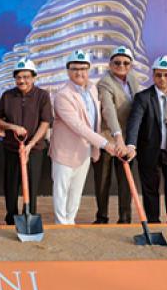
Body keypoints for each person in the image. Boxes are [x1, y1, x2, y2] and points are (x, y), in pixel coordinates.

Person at [49, 50, 116, 224]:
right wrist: (104, 144)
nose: (79, 72)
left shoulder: (92, 89)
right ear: (68, 71)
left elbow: (96, 120)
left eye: (83, 68)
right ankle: (61, 224)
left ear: (88, 70)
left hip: (85, 151)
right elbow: (78, 126)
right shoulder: (63, 95)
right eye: (75, 69)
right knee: (62, 191)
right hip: (65, 151)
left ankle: (70, 222)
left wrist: (99, 144)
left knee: (76, 192)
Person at [0, 58, 52, 225]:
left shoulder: (42, 96)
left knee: (32, 186)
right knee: (11, 186)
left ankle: (29, 216)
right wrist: (12, 127)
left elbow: (45, 122)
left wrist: (30, 144)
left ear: (33, 77)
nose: (22, 81)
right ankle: (11, 218)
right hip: (12, 149)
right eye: (18, 77)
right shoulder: (7, 96)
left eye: (26, 77)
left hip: (34, 150)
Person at [93, 46, 141, 224]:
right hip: (108, 138)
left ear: (131, 65)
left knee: (125, 181)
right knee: (103, 180)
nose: (121, 66)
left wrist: (130, 141)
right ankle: (102, 217)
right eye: (117, 62)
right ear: (110, 64)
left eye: (126, 63)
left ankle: (125, 218)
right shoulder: (105, 83)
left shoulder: (133, 79)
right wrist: (118, 138)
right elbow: (109, 111)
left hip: (127, 140)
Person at [125, 55, 167, 223]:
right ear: (153, 76)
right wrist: (131, 145)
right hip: (149, 151)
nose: (162, 79)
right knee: (150, 189)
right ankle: (153, 222)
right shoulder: (143, 97)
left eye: (166, 75)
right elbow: (134, 122)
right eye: (159, 75)